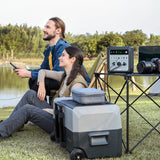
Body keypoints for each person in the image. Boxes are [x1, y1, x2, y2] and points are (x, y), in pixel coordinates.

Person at [0, 46, 88, 138]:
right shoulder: (65, 75)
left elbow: (71, 112)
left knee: (28, 109)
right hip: (55, 114)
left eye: (63, 55)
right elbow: (42, 72)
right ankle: (11, 123)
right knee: (30, 94)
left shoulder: (77, 84)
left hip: (61, 125)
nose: (59, 58)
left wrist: (50, 111)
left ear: (72, 59)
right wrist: (41, 86)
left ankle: (2, 130)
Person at [14, 17, 91, 95]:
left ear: (58, 30)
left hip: (73, 82)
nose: (44, 30)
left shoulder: (63, 48)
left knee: (41, 81)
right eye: (45, 27)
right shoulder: (50, 50)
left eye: (48, 27)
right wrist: (28, 71)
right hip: (62, 79)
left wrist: (29, 74)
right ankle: (40, 105)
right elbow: (43, 69)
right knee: (33, 80)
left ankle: (38, 105)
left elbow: (58, 73)